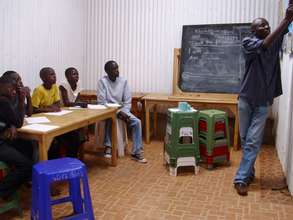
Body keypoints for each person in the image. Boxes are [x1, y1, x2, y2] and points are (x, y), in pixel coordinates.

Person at [234, 5, 293, 196]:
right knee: (245, 139)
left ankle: (241, 178)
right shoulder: (248, 42)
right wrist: (285, 20)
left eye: (268, 25)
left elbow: (283, 29)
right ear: (253, 30)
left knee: (252, 141)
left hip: (262, 103)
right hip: (245, 100)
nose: (267, 27)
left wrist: (288, 17)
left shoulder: (273, 42)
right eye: (262, 26)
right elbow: (266, 44)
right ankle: (249, 172)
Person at [97, 60, 147, 163]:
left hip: (123, 110)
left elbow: (127, 101)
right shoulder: (102, 82)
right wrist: (117, 112)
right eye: (114, 69)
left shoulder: (123, 82)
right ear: (107, 71)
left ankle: (136, 152)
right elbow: (102, 102)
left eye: (117, 68)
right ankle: (108, 146)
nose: (117, 71)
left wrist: (124, 111)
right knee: (111, 118)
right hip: (108, 111)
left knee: (137, 122)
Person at [0, 75, 33, 200]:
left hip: (5, 138)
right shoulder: (3, 100)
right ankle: (3, 191)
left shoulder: (4, 100)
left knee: (27, 145)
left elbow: (11, 119)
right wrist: (21, 99)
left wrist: (11, 125)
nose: (13, 92)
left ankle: (23, 178)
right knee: (26, 165)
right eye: (12, 88)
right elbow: (19, 122)